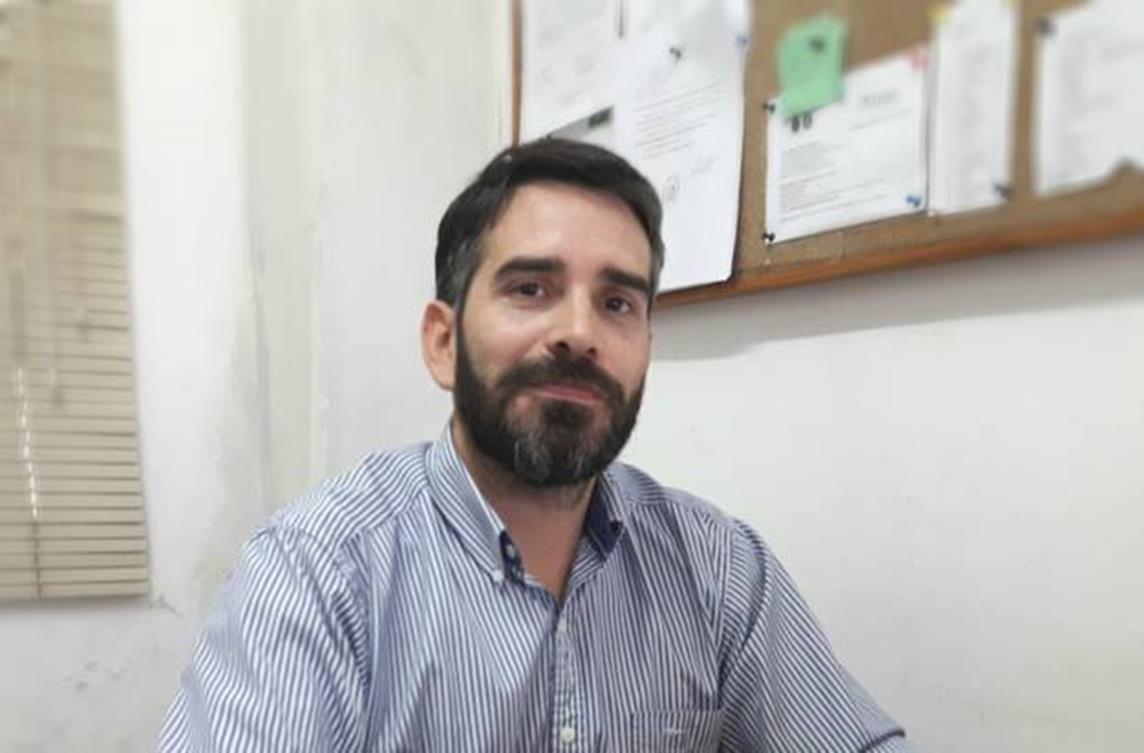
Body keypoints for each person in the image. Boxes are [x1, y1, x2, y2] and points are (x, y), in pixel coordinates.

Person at [159, 139, 919, 752]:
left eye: (616, 302)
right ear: (444, 341)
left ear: (645, 350)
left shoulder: (719, 568)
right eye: (531, 288)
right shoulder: (316, 574)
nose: (580, 333)